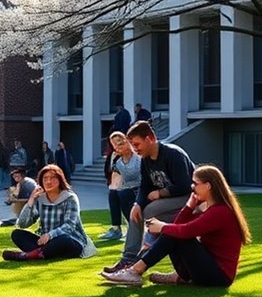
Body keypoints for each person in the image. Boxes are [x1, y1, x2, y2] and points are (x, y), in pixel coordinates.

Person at [102, 165, 251, 287]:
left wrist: (161, 227)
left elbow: (186, 231)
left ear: (208, 186)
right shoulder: (210, 208)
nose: (192, 187)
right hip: (208, 270)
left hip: (219, 277)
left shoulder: (220, 212)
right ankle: (178, 276)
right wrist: (188, 207)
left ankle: (136, 271)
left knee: (175, 233)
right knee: (174, 232)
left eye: (196, 184)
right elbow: (179, 225)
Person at [103, 120, 195, 274]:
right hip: (169, 201)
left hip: (190, 198)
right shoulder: (146, 160)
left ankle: (142, 256)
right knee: (136, 212)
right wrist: (137, 204)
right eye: (132, 145)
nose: (135, 149)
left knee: (150, 210)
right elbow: (145, 185)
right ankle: (128, 258)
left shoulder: (173, 154)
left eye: (137, 144)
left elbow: (185, 186)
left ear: (149, 139)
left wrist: (161, 193)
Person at [1, 165, 96, 261]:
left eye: (53, 178)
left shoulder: (70, 198)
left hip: (70, 240)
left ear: (60, 180)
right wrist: (31, 201)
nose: (48, 181)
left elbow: (69, 226)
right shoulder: (40, 199)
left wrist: (50, 235)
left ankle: (26, 256)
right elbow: (22, 224)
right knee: (17, 234)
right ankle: (41, 253)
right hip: (47, 242)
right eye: (45, 178)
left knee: (63, 240)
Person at [99, 132, 141, 241]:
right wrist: (112, 160)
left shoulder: (137, 157)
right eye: (115, 145)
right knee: (113, 193)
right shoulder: (118, 161)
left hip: (139, 187)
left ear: (127, 141)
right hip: (127, 187)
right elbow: (114, 180)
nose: (118, 147)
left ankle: (133, 226)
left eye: (120, 143)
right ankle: (116, 228)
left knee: (123, 193)